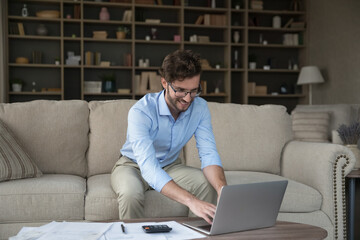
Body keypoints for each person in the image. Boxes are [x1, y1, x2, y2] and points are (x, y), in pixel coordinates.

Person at [111, 49, 227, 224]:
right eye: (181, 90)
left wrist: (222, 190)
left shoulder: (200, 108)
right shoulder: (141, 111)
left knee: (207, 183)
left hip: (170, 165)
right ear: (165, 83)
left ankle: (198, 235)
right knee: (130, 193)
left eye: (194, 91)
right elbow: (149, 169)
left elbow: (209, 154)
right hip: (132, 166)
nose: (188, 99)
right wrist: (192, 201)